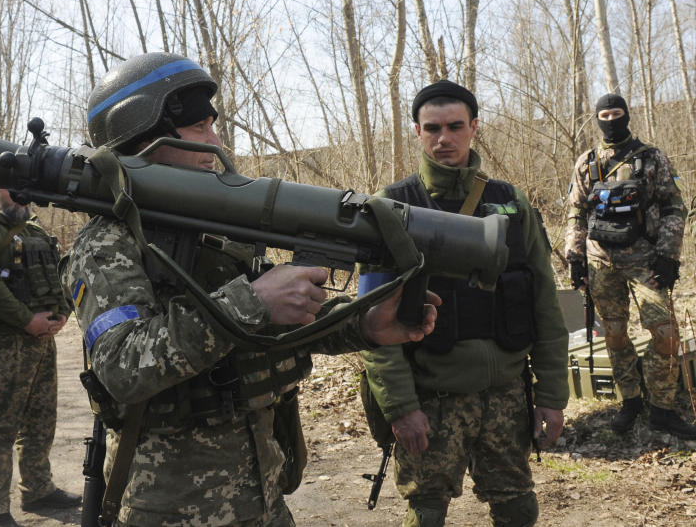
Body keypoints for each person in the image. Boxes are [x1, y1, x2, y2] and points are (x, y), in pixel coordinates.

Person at [63, 52, 440, 527]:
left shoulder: (212, 226)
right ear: (144, 136)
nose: (215, 142)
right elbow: (122, 364)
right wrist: (252, 300)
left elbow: (276, 321)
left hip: (262, 495)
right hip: (169, 509)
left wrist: (363, 323)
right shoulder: (106, 241)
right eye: (200, 128)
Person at [360, 80, 569, 527]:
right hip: (432, 399)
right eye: (432, 128)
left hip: (508, 397)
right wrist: (400, 407)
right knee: (427, 514)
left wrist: (552, 395)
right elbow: (372, 324)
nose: (444, 139)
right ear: (417, 132)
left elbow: (545, 304)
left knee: (518, 508)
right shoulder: (390, 207)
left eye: (455, 126)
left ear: (474, 128)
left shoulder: (511, 202)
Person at [564, 93, 694, 438]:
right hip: (601, 262)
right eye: (604, 114)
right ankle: (631, 400)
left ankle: (662, 408)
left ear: (627, 116)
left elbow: (673, 207)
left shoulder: (652, 158)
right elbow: (576, 211)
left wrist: (669, 255)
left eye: (616, 113)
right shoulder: (587, 162)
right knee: (615, 334)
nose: (610, 119)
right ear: (597, 119)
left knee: (666, 335)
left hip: (647, 260)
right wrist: (575, 257)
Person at [0, 188, 81, 527]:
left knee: (41, 420)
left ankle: (38, 489)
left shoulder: (36, 229)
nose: (18, 198)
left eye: (21, 192)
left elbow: (56, 275)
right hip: (4, 345)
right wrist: (26, 320)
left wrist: (61, 314)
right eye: (9, 192)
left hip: (43, 342)